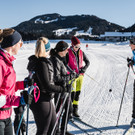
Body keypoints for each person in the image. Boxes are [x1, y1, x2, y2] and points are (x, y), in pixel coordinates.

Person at [27, 37, 67, 135]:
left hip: (46, 99)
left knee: (53, 128)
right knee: (43, 131)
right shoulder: (41, 63)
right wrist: (63, 89)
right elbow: (46, 86)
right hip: (41, 101)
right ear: (47, 49)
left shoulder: (39, 61)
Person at [0, 28, 32, 135]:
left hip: (6, 115)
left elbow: (6, 88)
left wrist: (23, 84)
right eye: (20, 43)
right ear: (12, 44)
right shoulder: (1, 63)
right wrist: (19, 100)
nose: (21, 45)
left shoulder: (7, 60)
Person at [50, 41, 75, 135]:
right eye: (66, 49)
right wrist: (69, 77)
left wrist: (71, 74)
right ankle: (56, 131)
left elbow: (64, 71)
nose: (67, 51)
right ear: (62, 50)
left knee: (69, 110)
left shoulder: (60, 58)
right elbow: (56, 78)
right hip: (60, 91)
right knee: (59, 112)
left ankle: (62, 130)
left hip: (64, 89)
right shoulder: (55, 60)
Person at [66, 36, 90, 117]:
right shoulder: (68, 52)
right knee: (72, 94)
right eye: (76, 46)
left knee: (77, 93)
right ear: (72, 45)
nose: (78, 48)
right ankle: (69, 111)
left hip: (80, 76)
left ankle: (75, 110)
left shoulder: (81, 52)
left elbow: (87, 62)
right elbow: (65, 65)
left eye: (79, 46)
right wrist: (71, 72)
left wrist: (83, 70)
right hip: (71, 77)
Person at [127, 38, 135, 125]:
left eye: (131, 44)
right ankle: (134, 117)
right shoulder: (134, 52)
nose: (130, 46)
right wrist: (131, 62)